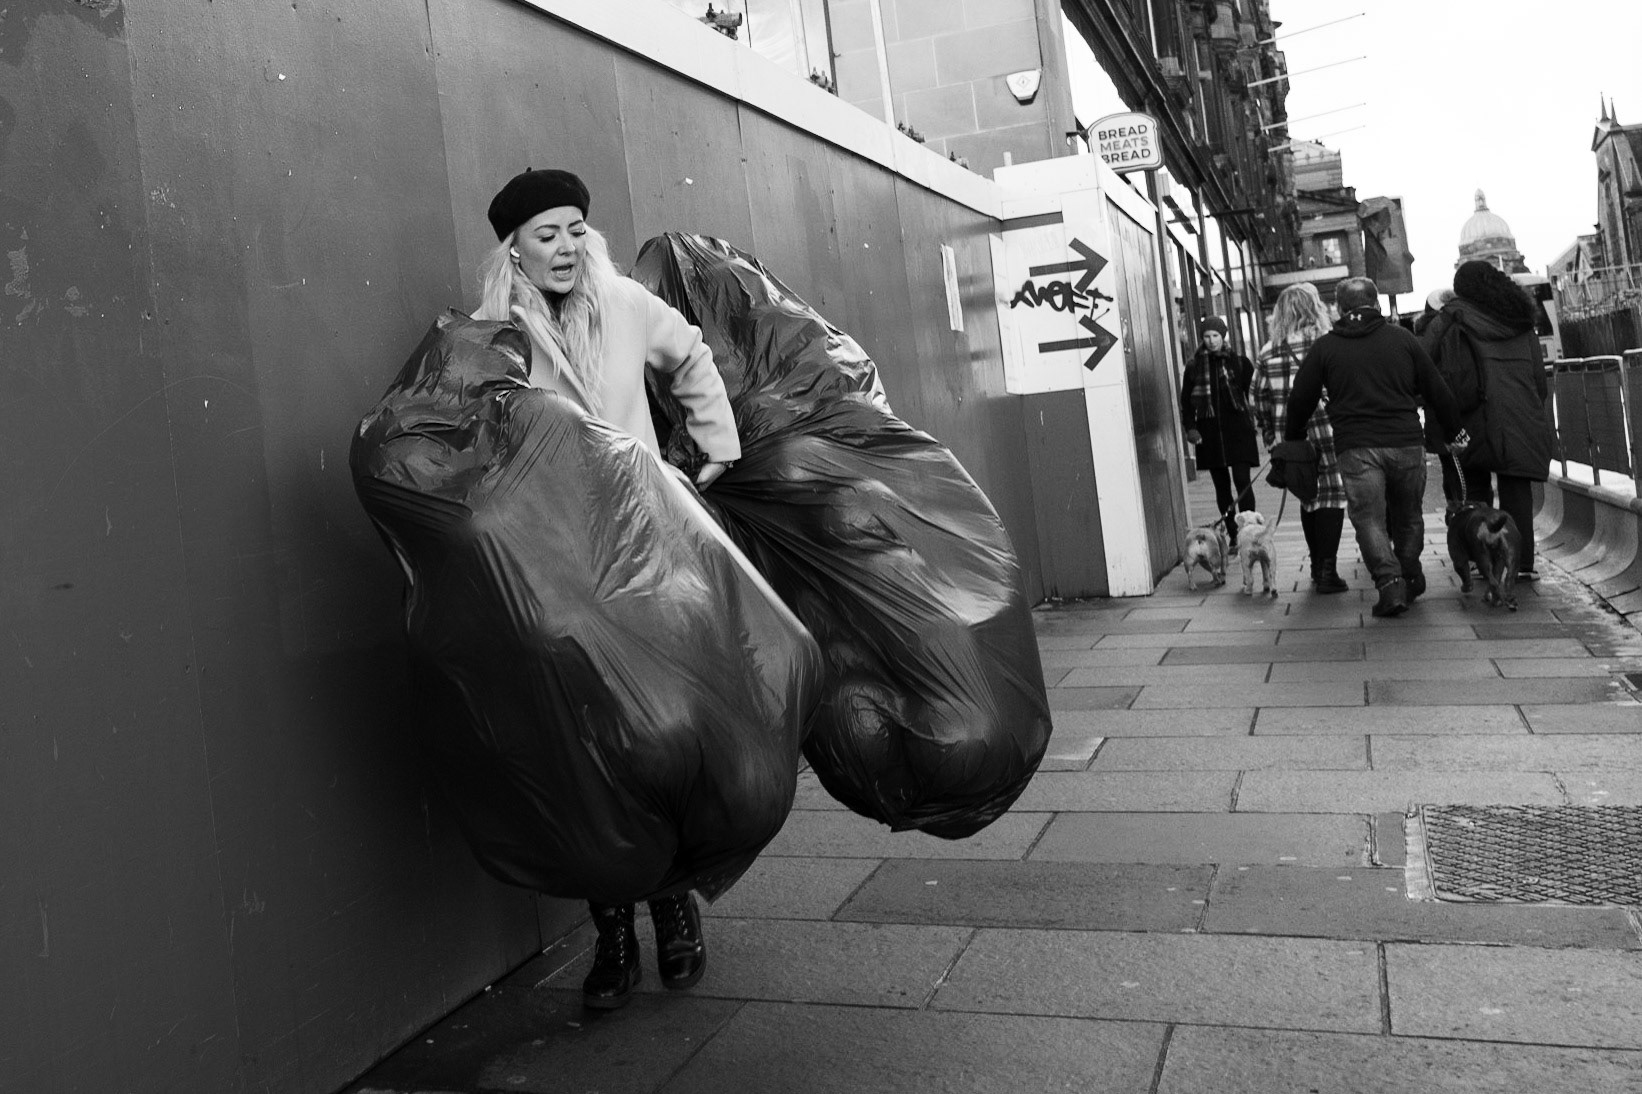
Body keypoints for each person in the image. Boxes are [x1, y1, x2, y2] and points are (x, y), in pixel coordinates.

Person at [478, 168, 742, 1009]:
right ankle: (614, 934)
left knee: (659, 731)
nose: (565, 246)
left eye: (575, 228)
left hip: (646, 544)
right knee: (585, 746)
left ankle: (674, 913)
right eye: (545, 233)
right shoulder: (492, 333)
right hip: (556, 561)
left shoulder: (625, 303)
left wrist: (714, 444)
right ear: (513, 246)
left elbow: (692, 356)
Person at [1284, 277, 1463, 618]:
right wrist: (1455, 430)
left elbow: (1301, 397)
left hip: (1356, 446)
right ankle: (1409, 571)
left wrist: (1294, 437)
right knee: (1409, 515)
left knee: (1369, 520)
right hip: (1406, 442)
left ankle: (1390, 583)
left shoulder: (1326, 347)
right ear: (1377, 304)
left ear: (1339, 308)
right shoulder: (1403, 339)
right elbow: (1437, 388)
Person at [1423, 260, 1552, 581]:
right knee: (1516, 488)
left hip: (1470, 414)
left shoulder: (1451, 317)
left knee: (1476, 489)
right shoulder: (1522, 321)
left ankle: (1482, 559)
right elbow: (1539, 380)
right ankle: (1521, 564)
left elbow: (1423, 364)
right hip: (1518, 416)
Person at [1253, 283, 1349, 593]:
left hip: (1290, 436)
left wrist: (1271, 436)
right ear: (1314, 309)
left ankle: (1316, 565)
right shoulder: (1328, 343)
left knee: (1309, 498)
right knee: (1331, 496)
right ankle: (1327, 570)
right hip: (1328, 428)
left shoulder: (1268, 351)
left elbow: (1258, 398)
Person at [1180, 316, 1259, 551]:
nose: (1211, 341)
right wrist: (1191, 429)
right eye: (1207, 336)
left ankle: (1250, 532)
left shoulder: (1240, 363)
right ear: (1202, 339)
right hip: (1210, 433)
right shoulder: (1194, 366)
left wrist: (1257, 419)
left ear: (1223, 336)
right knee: (1221, 487)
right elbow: (1186, 402)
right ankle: (1234, 535)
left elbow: (1253, 395)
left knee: (1243, 480)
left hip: (1238, 430)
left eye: (1215, 336)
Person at [1414, 288, 1465, 507]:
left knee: (1449, 466)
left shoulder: (1425, 332)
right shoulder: (1467, 324)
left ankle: (1456, 510)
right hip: (1467, 404)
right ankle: (1474, 513)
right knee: (1469, 467)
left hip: (1437, 409)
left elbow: (1420, 371)